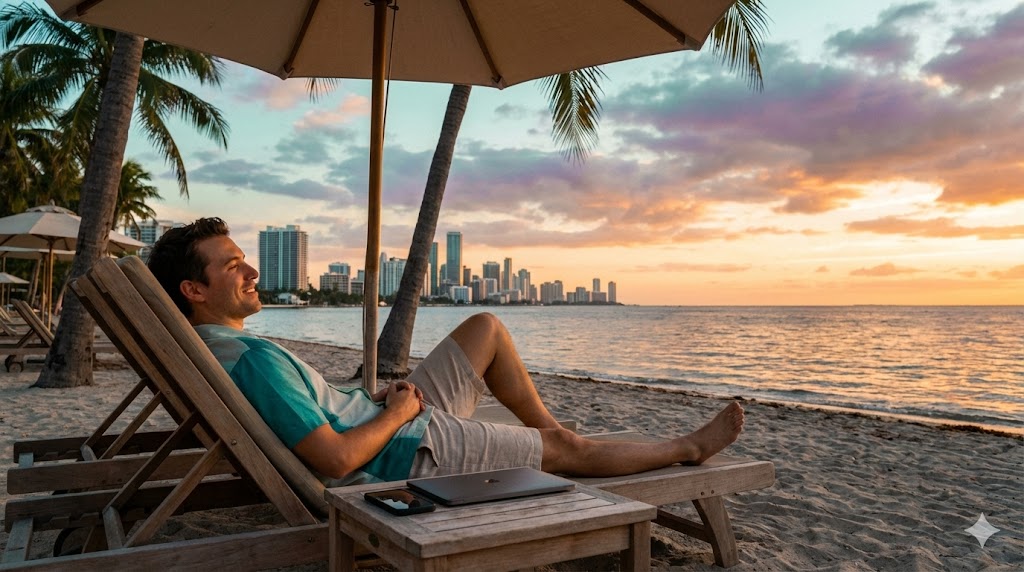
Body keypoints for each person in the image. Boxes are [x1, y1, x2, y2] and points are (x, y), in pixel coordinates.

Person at [148, 217, 744, 485]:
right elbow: (336, 460)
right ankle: (682, 449)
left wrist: (376, 399)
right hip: (407, 453)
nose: (251, 271)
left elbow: (320, 416)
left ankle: (549, 433)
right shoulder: (251, 360)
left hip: (389, 421)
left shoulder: (226, 349)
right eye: (233, 265)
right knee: (568, 452)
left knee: (486, 326)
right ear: (194, 291)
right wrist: (397, 414)